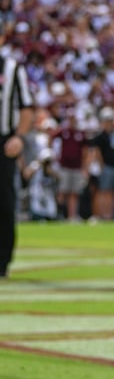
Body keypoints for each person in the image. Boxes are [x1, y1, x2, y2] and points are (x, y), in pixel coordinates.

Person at [1, 55, 34, 277]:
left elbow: (26, 106)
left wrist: (19, 137)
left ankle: (2, 260)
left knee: (3, 201)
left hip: (3, 142)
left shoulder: (12, 68)